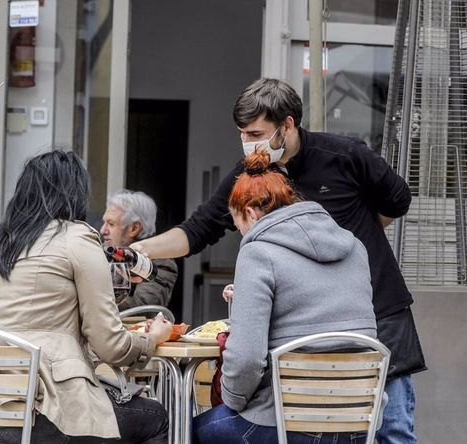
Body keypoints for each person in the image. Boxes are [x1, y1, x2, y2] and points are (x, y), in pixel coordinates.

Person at [131, 78, 425, 444]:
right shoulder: (250, 176)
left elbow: (396, 201)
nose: (249, 143)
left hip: (378, 311)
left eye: (256, 132)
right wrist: (140, 251)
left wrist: (358, 239)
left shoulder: (346, 156)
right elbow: (199, 229)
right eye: (242, 134)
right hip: (305, 334)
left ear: (287, 125)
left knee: (391, 430)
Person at [0, 150, 172, 443]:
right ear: (75, 194)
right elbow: (111, 346)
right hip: (39, 413)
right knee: (154, 417)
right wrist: (152, 338)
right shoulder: (76, 239)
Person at [193, 150, 377, 443]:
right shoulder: (355, 248)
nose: (242, 235)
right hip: (357, 424)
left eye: (238, 226)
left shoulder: (257, 252)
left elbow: (245, 361)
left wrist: (232, 400)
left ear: (251, 213)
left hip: (283, 424)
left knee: (183, 431)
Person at [100, 189, 178, 310]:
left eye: (111, 224)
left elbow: (144, 307)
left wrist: (94, 300)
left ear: (134, 228)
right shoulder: (104, 252)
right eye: (104, 222)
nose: (102, 230)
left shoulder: (160, 261)